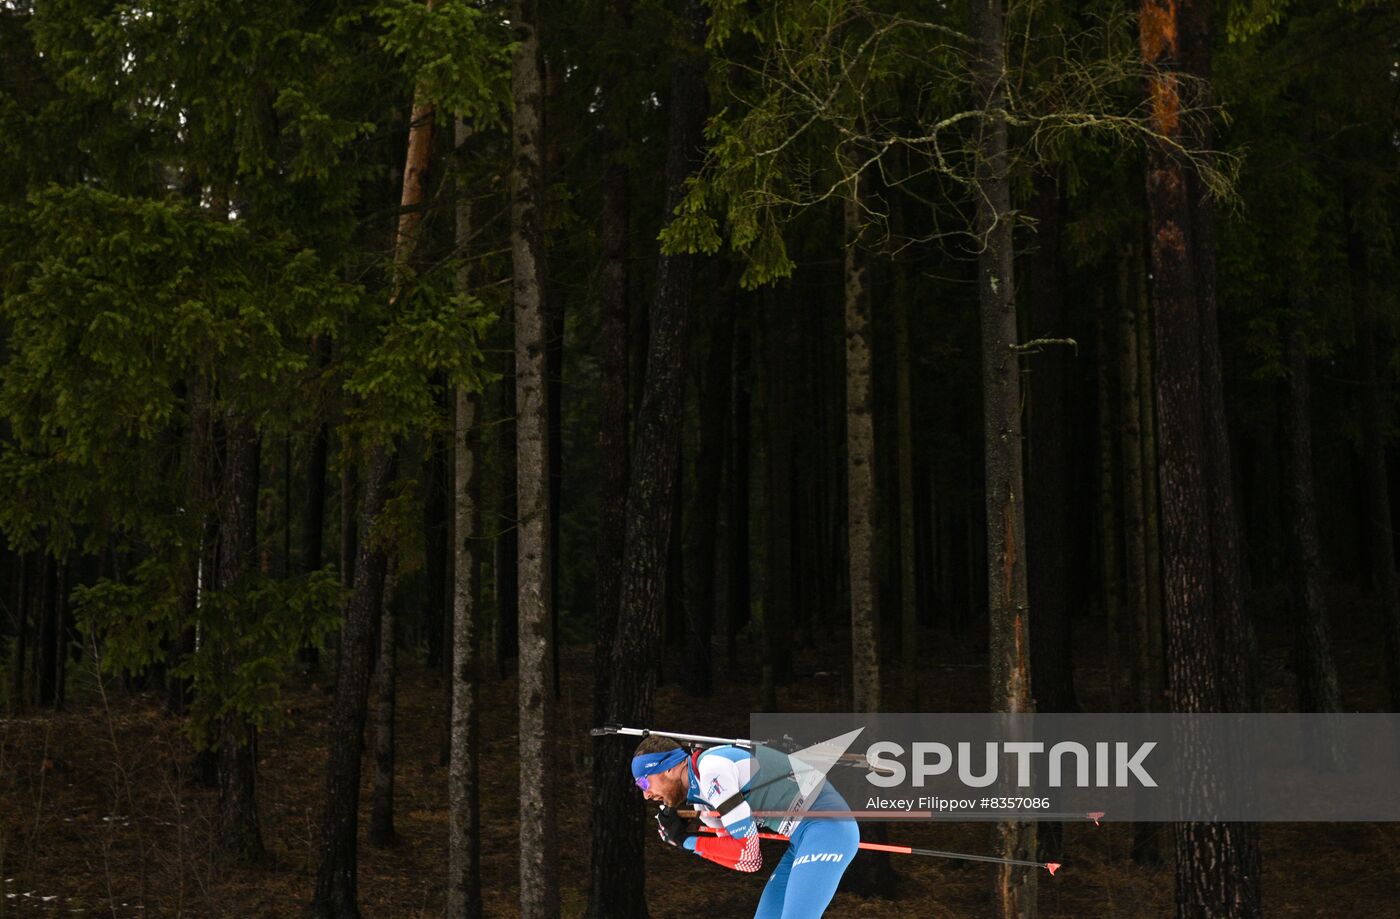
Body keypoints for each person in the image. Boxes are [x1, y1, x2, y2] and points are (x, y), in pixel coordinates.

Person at [631, 735, 860, 918]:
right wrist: (691, 838)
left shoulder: (712, 771)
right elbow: (745, 860)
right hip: (802, 838)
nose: (645, 794)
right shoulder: (703, 797)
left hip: (828, 829)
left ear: (668, 768)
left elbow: (747, 854)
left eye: (644, 781)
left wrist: (685, 841)